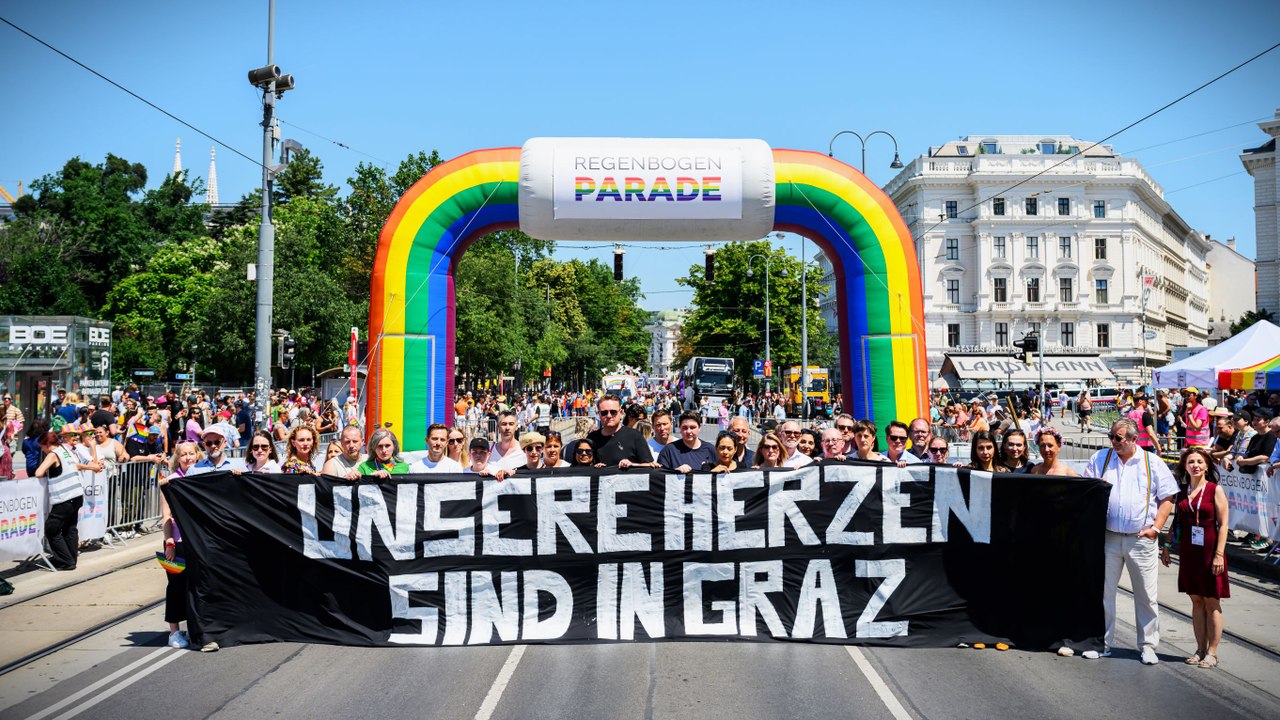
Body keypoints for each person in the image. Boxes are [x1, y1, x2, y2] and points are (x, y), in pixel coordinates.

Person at [1084, 418, 1178, 664]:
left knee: (1146, 595)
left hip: (1141, 539)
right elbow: (1087, 492)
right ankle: (1101, 642)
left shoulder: (1152, 462)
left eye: (1119, 438)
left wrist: (1156, 528)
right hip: (1108, 537)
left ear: (1135, 439)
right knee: (1104, 593)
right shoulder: (1100, 459)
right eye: (1111, 437)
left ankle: (1147, 645)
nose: (1113, 442)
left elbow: (1168, 497)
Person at [1161, 447, 1230, 669]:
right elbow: (1177, 521)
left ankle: (1212, 652)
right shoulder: (1181, 492)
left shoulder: (1214, 490)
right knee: (1196, 601)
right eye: (1191, 462)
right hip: (1190, 552)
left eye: (1200, 461)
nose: (1196, 465)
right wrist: (1167, 546)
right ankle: (1200, 649)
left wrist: (1219, 554)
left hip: (1210, 552)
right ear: (1185, 466)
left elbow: (1224, 524)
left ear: (1207, 465)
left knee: (1212, 600)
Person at [159, 441, 201, 649]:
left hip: (198, 542)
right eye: (183, 455)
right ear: (177, 458)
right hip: (177, 542)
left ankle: (195, 628)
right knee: (175, 587)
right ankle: (174, 633)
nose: (188, 458)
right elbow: (166, 515)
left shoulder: (202, 479)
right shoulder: (170, 482)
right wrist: (169, 542)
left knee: (197, 586)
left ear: (197, 455)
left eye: (191, 454)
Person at [33, 427, 86, 570]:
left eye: (42, 447)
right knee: (70, 528)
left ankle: (65, 561)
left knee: (51, 529)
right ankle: (71, 559)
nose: (42, 451)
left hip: (64, 497)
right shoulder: (65, 450)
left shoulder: (52, 454)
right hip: (76, 495)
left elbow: (39, 472)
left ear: (47, 444)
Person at [586, 395, 655, 468]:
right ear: (598, 414)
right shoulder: (592, 438)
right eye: (604, 413)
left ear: (621, 412)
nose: (609, 416)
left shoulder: (635, 436)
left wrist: (632, 464)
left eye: (613, 412)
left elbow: (650, 465)